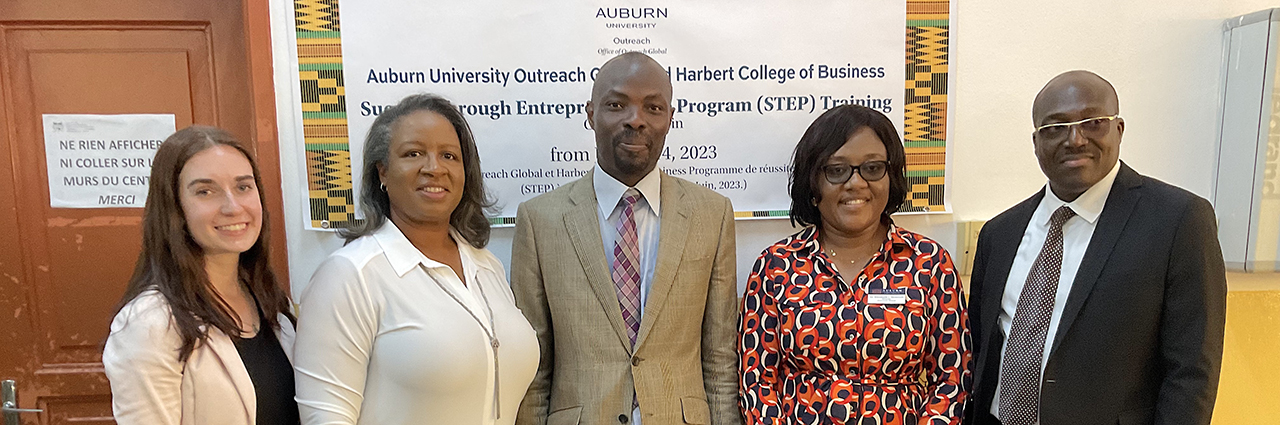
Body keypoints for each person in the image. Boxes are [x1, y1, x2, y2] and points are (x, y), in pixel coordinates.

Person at [963, 71, 1227, 425]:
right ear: (1036, 141)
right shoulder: (1000, 233)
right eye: (1055, 127)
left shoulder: (1178, 220)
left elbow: (1192, 371)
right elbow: (980, 350)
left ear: (1118, 130)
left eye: (1093, 123)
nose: (1075, 139)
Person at [511, 52, 742, 425]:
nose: (636, 120)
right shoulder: (540, 220)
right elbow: (534, 367)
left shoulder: (711, 214)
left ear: (669, 118)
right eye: (617, 105)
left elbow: (720, 359)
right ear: (590, 113)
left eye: (653, 107)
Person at [292, 94, 538, 425]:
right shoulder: (350, 275)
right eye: (413, 154)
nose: (434, 168)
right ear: (382, 172)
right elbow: (326, 417)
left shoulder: (486, 266)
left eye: (449, 155)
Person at [739, 105, 972, 424]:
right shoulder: (775, 265)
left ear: (891, 177)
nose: (856, 183)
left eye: (873, 168)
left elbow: (952, 381)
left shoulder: (930, 264)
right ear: (813, 182)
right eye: (836, 170)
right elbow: (756, 381)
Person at [103, 126, 298, 425]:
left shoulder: (270, 300)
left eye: (243, 187)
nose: (232, 207)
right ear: (175, 208)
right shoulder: (150, 323)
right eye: (205, 191)